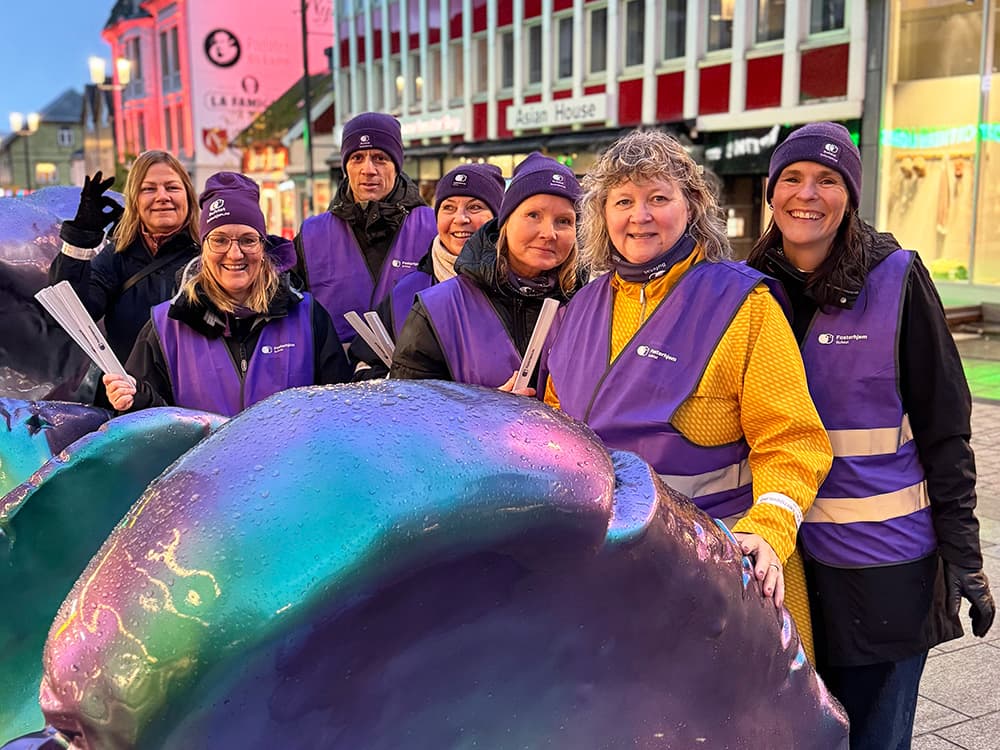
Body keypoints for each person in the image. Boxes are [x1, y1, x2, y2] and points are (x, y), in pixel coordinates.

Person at [746, 121, 995, 750]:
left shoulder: (897, 280)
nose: (808, 194)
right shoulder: (746, 288)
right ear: (772, 194)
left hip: (885, 567)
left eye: (828, 180)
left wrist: (965, 560)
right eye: (793, 178)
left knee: (876, 738)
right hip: (785, 567)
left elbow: (945, 429)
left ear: (851, 198)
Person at [544, 129, 833, 616]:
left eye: (659, 197)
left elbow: (792, 438)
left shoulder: (744, 305)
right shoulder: (580, 308)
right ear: (602, 214)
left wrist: (770, 526)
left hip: (720, 567)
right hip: (605, 571)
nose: (640, 216)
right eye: (623, 201)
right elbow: (557, 422)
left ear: (692, 207)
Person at [102, 172, 351, 416]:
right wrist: (139, 400)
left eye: (247, 240)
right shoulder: (166, 327)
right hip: (203, 459)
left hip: (293, 458)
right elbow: (148, 434)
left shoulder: (307, 317)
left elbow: (338, 412)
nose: (235, 254)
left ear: (263, 246)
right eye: (219, 240)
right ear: (203, 248)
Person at [390, 152, 581, 392]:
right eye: (533, 215)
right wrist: (484, 410)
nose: (548, 233)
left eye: (564, 221)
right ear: (505, 222)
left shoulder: (588, 305)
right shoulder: (440, 307)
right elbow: (409, 407)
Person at [349, 162, 506, 379]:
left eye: (475, 207)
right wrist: (390, 387)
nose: (460, 219)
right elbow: (363, 364)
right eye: (448, 207)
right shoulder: (406, 292)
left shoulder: (515, 289)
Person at [294, 112, 437, 345]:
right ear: (345, 167)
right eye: (357, 158)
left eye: (380, 158)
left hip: (412, 377)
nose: (368, 169)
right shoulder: (311, 236)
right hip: (336, 378)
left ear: (397, 165)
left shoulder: (434, 229)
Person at [48, 151, 201, 365]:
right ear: (135, 201)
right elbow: (69, 315)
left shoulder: (209, 255)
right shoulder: (118, 256)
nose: (162, 196)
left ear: (189, 196)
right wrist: (79, 239)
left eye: (172, 187)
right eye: (148, 189)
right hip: (126, 393)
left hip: (191, 393)